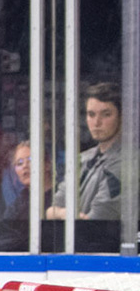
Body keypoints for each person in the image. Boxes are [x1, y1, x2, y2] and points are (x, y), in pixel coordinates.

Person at [47, 83, 123, 222]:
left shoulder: (126, 162)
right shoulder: (83, 158)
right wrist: (64, 213)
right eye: (91, 114)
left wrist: (62, 213)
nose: (96, 122)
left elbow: (96, 220)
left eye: (106, 114)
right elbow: (51, 210)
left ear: (121, 117)